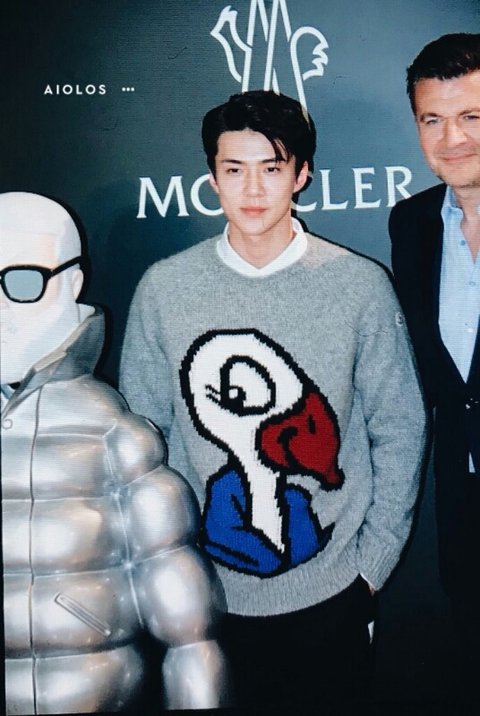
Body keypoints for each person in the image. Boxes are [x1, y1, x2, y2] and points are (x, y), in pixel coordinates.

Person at [120, 90, 426, 710]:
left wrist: (371, 568)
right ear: (212, 179)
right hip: (204, 602)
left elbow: (400, 426)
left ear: (301, 175)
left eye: (272, 167)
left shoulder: (359, 285)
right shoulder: (165, 289)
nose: (253, 189)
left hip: (334, 595)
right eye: (234, 169)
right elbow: (143, 444)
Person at [0, 191, 229, 713]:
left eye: (23, 281)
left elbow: (190, 634)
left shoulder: (112, 433)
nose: (2, 308)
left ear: (72, 282)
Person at [389, 33, 480, 705]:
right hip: (463, 505)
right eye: (433, 119)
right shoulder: (412, 222)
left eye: (473, 115)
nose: (452, 138)